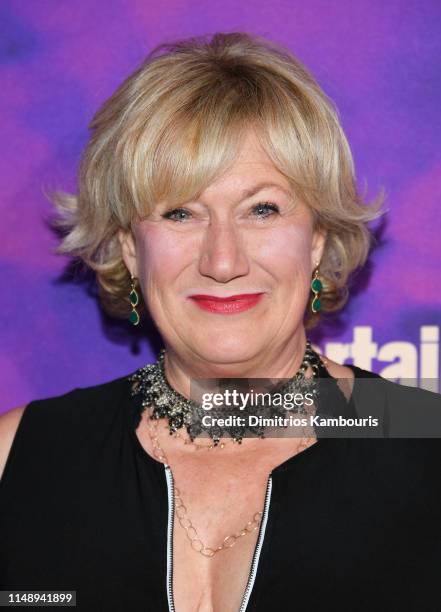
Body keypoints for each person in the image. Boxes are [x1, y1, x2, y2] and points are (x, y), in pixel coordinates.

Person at [1, 32, 440, 612]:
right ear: (132, 248)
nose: (223, 260)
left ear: (317, 239)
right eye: (181, 212)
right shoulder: (22, 454)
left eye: (262, 209)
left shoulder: (425, 442)